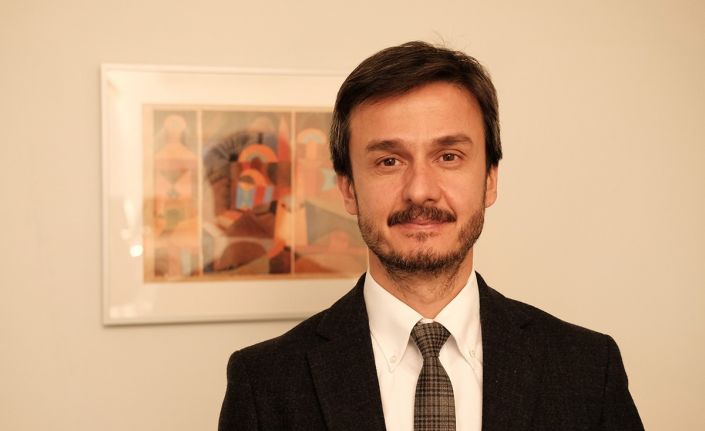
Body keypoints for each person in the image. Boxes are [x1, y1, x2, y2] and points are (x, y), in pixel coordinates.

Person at [218, 41, 644, 431]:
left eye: (449, 156)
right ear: (347, 188)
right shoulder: (264, 383)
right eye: (389, 161)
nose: (420, 190)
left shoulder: (589, 369)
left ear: (490, 179)